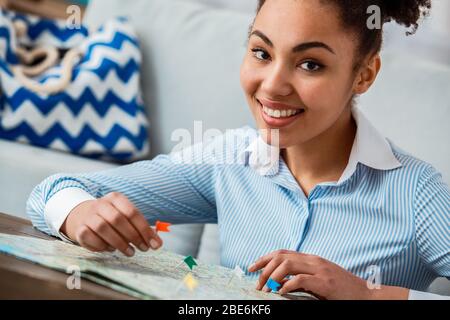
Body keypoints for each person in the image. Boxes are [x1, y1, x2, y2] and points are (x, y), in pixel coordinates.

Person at [27, 0, 449, 299]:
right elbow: (55, 190)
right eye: (262, 53)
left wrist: (369, 296)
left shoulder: (416, 192)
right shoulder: (228, 161)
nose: (272, 85)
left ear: (364, 75)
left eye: (310, 64)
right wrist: (79, 212)